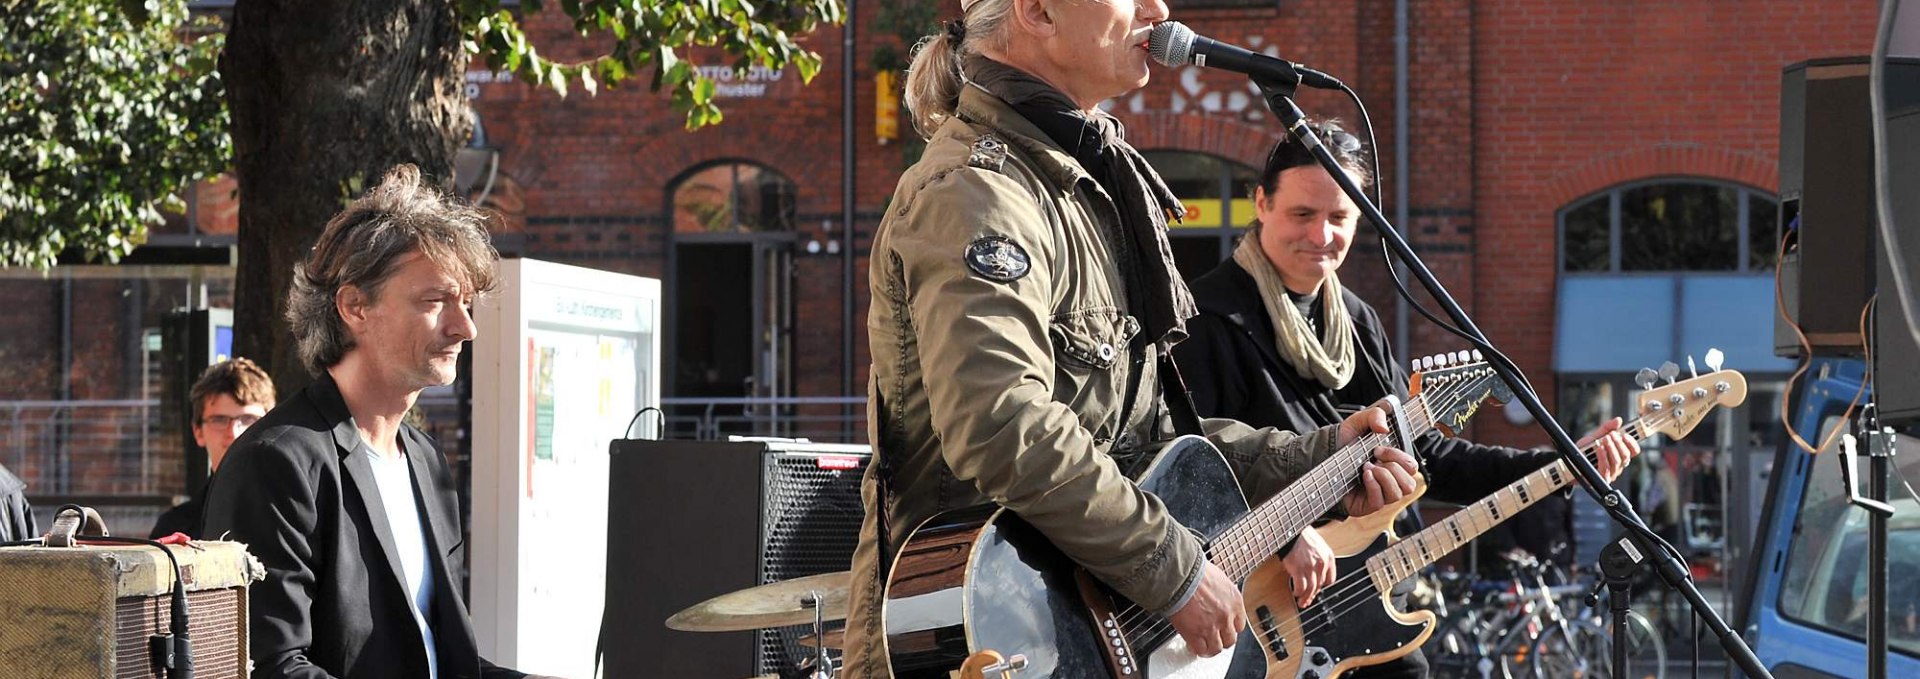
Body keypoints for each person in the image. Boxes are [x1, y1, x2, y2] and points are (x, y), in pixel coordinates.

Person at [842, 2, 1423, 677]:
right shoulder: (978, 193)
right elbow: (1002, 425)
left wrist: (1319, 457)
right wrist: (1173, 572)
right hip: (985, 638)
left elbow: (1143, 444)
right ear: (1038, 12)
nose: (1160, 10)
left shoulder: (1077, 184)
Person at [1173, 119, 1639, 678]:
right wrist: (1284, 538)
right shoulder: (1206, 315)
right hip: (1252, 616)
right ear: (1261, 204)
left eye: (1340, 218)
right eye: (1303, 214)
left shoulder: (1359, 324)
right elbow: (1184, 463)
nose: (1321, 236)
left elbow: (1431, 460)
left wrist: (1564, 464)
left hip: (1361, 601)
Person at [203, 166, 554, 679]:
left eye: (467, 302)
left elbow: (441, 659)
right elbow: (271, 668)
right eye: (435, 301)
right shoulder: (277, 462)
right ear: (354, 306)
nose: (466, 327)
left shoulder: (425, 460)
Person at [150, 357, 276, 539]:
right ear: (198, 431)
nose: (233, 433)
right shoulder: (175, 527)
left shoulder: (299, 512)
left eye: (248, 419)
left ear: (270, 426)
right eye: (219, 420)